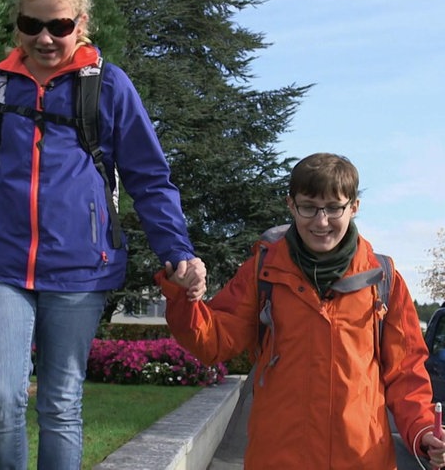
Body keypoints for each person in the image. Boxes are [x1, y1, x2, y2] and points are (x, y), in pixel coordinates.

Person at [0, 0, 204, 470]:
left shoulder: (109, 86)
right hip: (0, 265)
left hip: (82, 266)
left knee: (60, 403)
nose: (45, 38)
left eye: (59, 26)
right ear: (18, 24)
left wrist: (177, 250)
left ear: (81, 24)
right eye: (32, 24)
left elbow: (149, 177)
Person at [157, 152, 445, 469]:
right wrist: (183, 297)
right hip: (279, 458)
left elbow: (406, 374)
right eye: (309, 207)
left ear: (354, 207)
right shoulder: (262, 271)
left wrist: (421, 430)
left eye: (334, 207)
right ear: (291, 205)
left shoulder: (384, 278)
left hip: (362, 460)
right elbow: (214, 341)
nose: (321, 221)